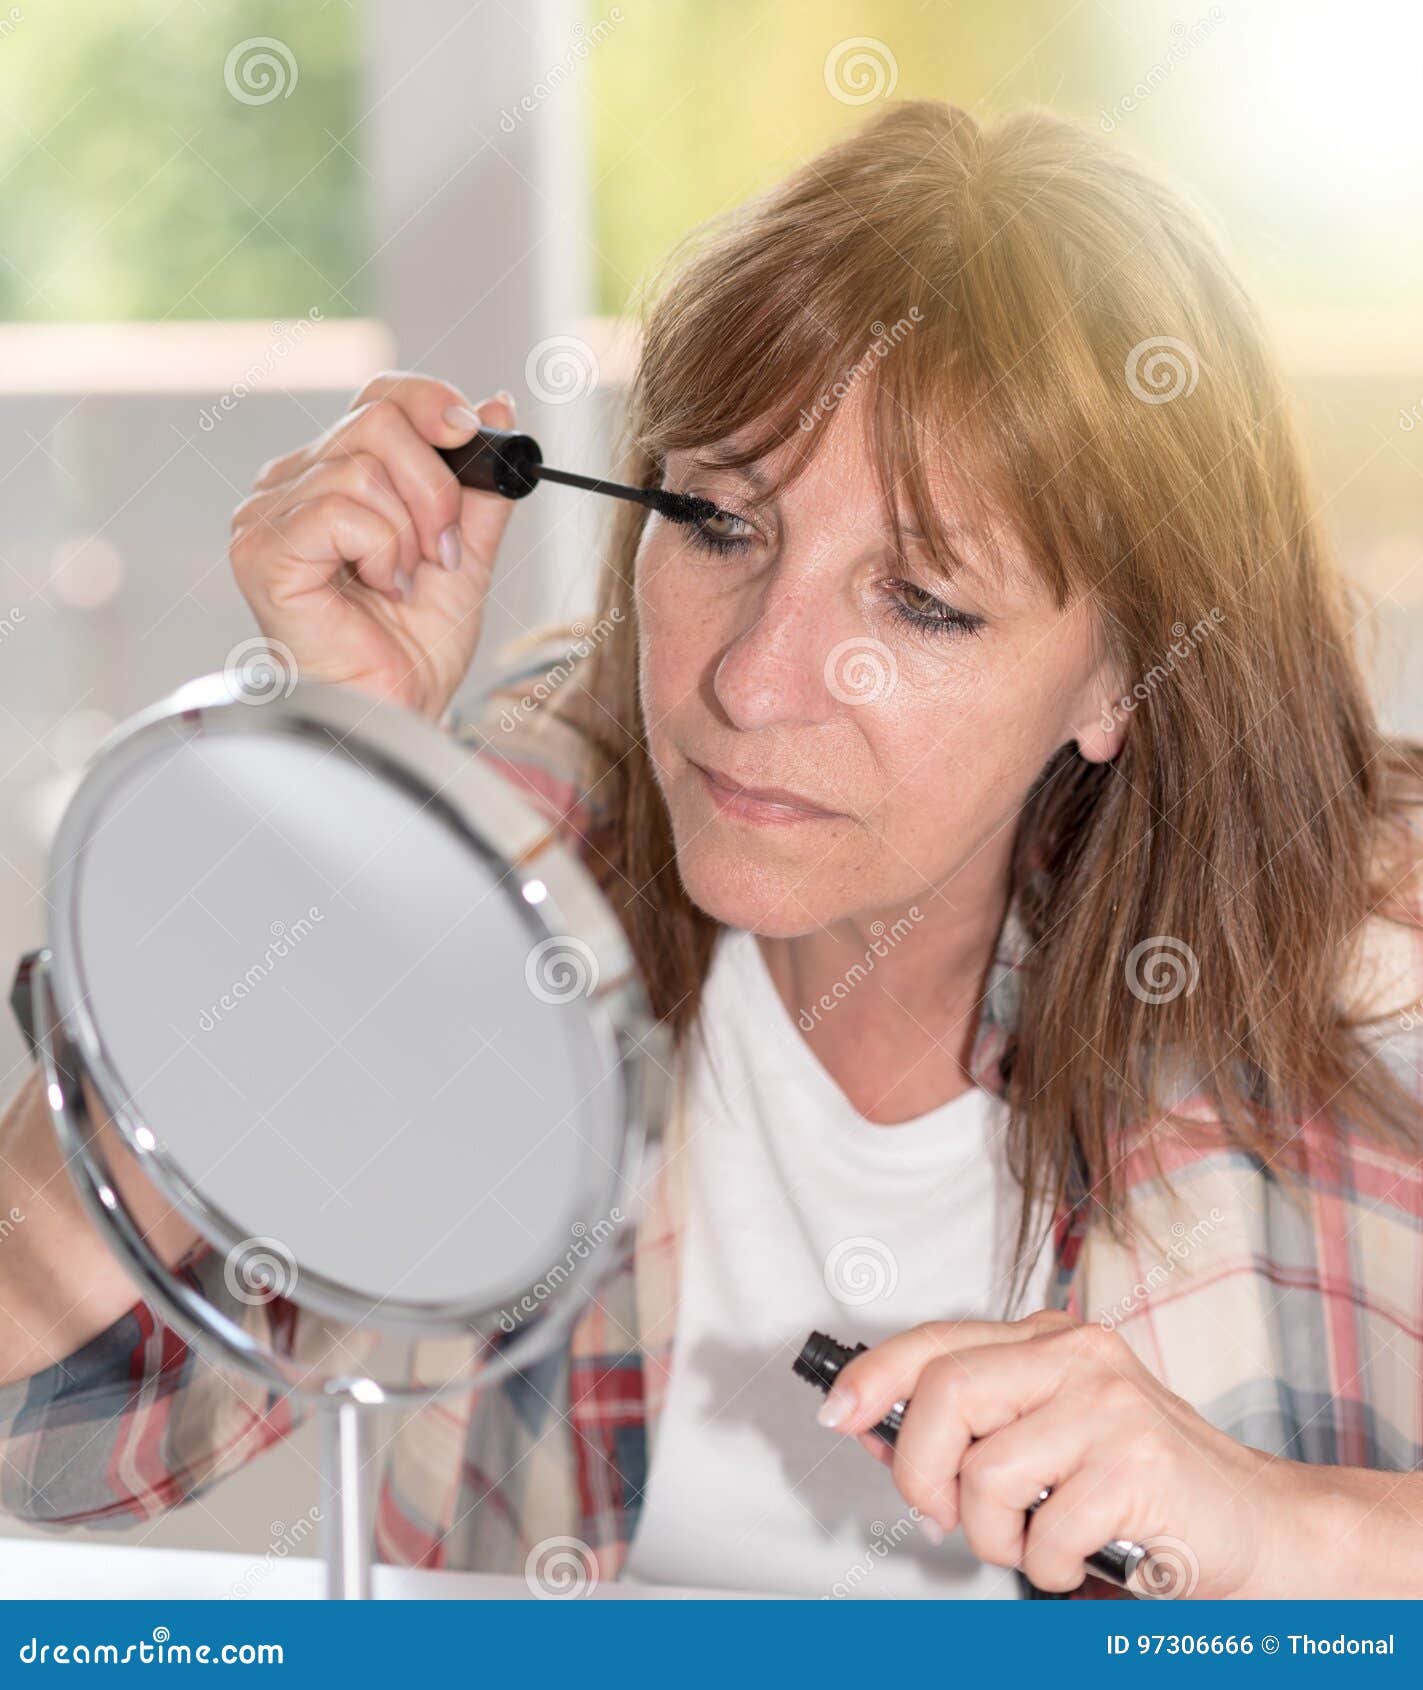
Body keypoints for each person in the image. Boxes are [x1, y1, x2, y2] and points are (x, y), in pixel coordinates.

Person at [1, 100, 1421, 1600]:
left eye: (921, 602)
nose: (753, 682)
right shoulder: (509, 845)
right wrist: (330, 799)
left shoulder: (1376, 946)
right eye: (722, 526)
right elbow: (40, 1427)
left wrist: (1284, 1524)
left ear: (1124, 674)